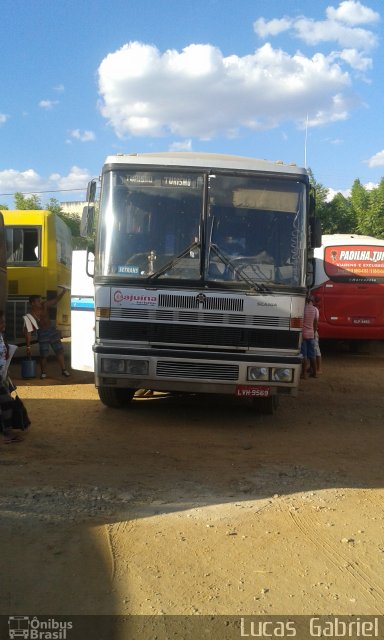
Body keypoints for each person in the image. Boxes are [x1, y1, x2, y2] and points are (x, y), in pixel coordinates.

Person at [24, 287, 71, 380]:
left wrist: (64, 292)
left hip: (51, 330)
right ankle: (43, 372)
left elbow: (55, 300)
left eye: (40, 300)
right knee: (43, 354)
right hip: (42, 333)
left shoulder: (44, 305)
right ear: (33, 303)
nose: (40, 301)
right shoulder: (31, 315)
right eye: (38, 301)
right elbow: (28, 331)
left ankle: (63, 369)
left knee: (59, 351)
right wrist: (28, 346)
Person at [0, 309, 23, 443]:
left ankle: (7, 431)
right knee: (6, 402)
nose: (4, 324)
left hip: (2, 375)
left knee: (6, 402)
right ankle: (7, 433)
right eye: (1, 321)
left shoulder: (1, 336)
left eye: (4, 321)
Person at [300, 294, 318, 379]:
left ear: (306, 300)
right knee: (312, 355)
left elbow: (301, 322)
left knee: (304, 355)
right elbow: (315, 324)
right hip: (311, 334)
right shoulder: (315, 309)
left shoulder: (303, 309)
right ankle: (314, 373)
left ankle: (303, 374)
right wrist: (313, 333)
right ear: (312, 301)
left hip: (304, 335)